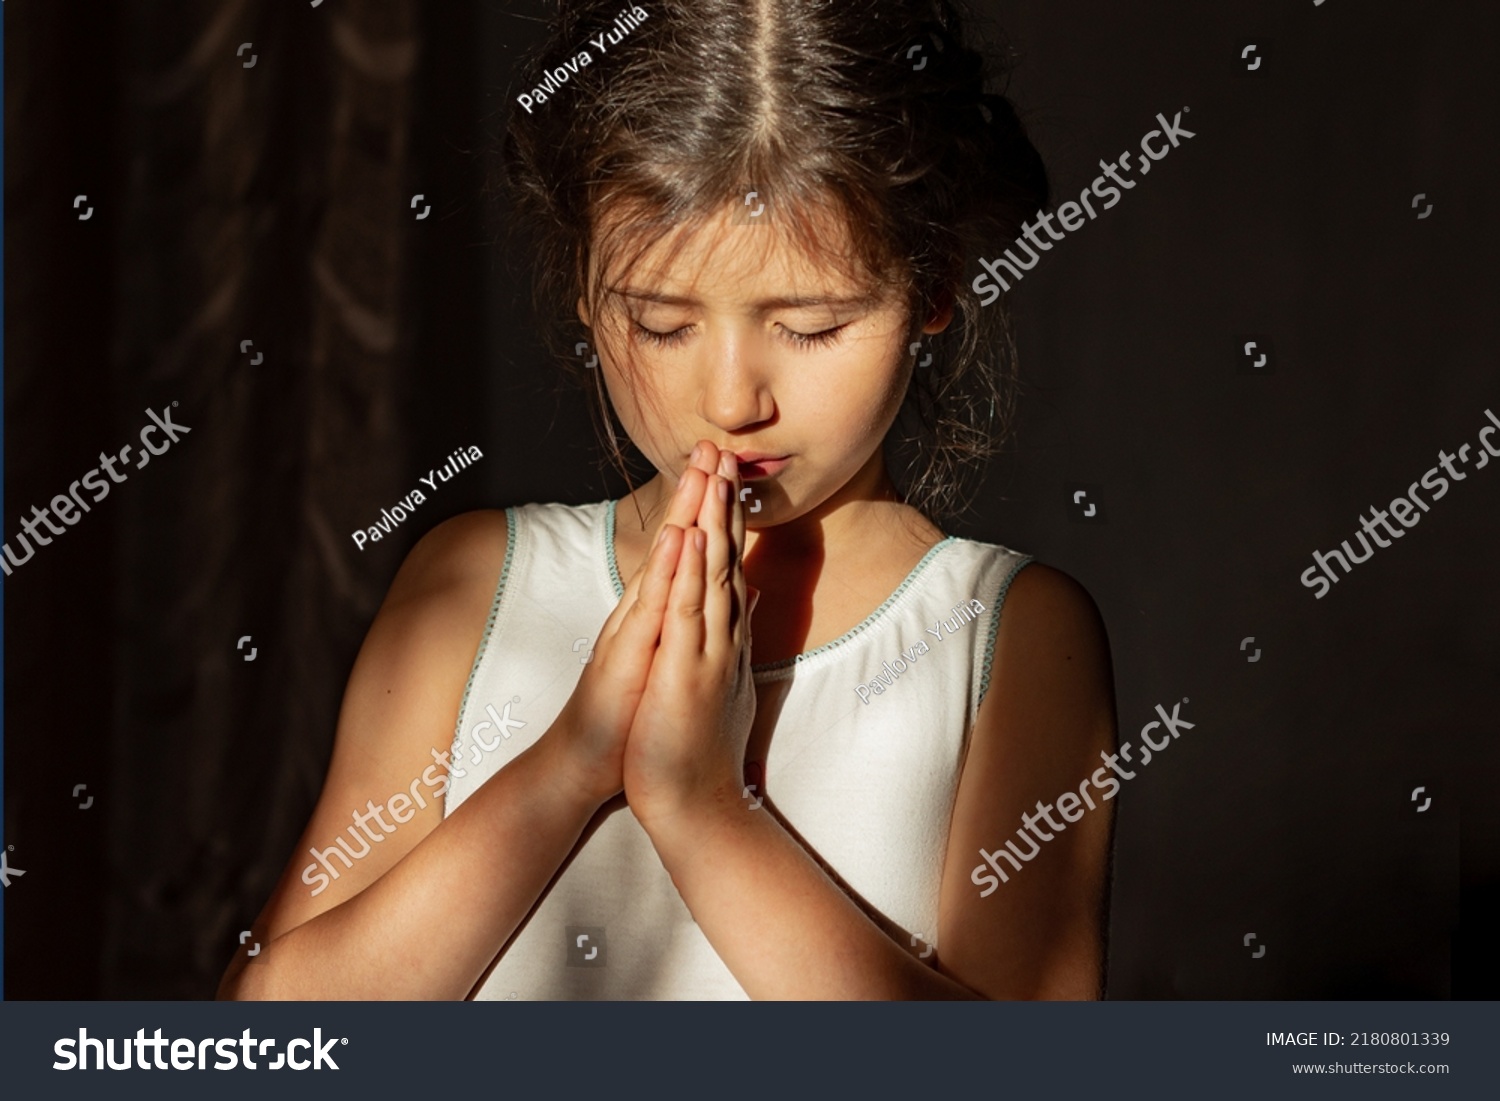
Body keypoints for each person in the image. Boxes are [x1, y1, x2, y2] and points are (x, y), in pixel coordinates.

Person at [218, 0, 1116, 1001]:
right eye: (659, 323)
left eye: (812, 326)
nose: (731, 401)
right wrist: (568, 767)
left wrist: (704, 812)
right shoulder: (473, 587)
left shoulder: (1005, 639)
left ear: (933, 285)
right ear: (582, 289)